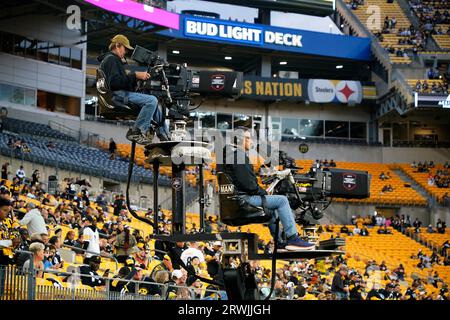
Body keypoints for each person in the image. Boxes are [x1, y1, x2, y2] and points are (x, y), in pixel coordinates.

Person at [216, 127, 315, 251]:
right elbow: (249, 186)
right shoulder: (238, 155)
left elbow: (239, 180)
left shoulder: (225, 155)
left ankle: (280, 243)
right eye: (248, 138)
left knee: (272, 210)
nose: (250, 141)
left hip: (230, 205)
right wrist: (263, 192)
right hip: (243, 201)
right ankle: (293, 238)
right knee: (282, 200)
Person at [97, 34, 169, 144]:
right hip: (116, 95)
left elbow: (121, 81)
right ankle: (137, 131)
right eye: (124, 48)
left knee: (152, 101)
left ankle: (164, 135)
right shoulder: (111, 59)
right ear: (117, 45)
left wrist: (136, 80)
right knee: (151, 101)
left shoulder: (110, 60)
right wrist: (135, 76)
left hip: (118, 94)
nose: (125, 52)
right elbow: (115, 83)